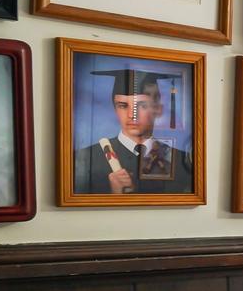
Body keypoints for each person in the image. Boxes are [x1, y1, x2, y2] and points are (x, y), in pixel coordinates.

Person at [73, 67, 192, 195]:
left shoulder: (180, 160)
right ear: (115, 109)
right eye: (123, 106)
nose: (131, 115)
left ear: (157, 108)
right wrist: (113, 196)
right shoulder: (87, 157)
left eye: (141, 105)